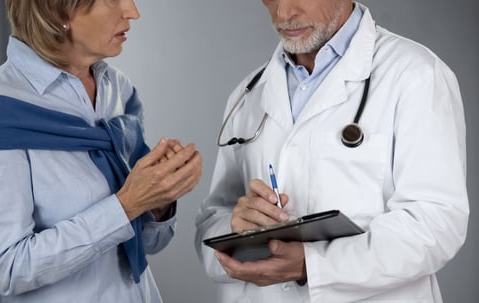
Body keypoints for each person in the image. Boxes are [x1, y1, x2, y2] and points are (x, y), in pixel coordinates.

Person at [195, 1, 469, 302]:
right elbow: (212, 220)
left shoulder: (415, 75)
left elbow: (435, 224)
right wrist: (237, 226)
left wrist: (312, 265)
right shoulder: (248, 94)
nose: (284, 14)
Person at [0, 0, 202, 302]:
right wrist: (127, 204)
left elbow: (148, 242)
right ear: (57, 11)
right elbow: (9, 269)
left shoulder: (117, 88)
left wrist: (159, 198)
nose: (132, 11)